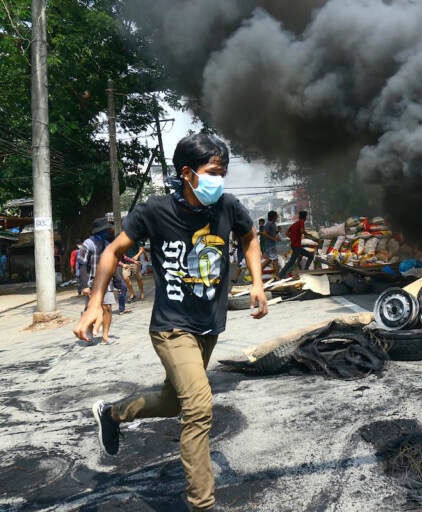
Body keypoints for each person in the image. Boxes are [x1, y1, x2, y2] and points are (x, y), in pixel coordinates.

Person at [73, 133, 268, 512]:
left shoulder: (227, 206)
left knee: (170, 401)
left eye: (223, 172)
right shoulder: (154, 211)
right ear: (187, 174)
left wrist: (258, 282)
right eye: (213, 171)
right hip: (171, 326)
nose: (219, 180)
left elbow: (250, 237)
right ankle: (202, 504)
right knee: (198, 407)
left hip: (208, 326)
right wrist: (94, 302)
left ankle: (113, 414)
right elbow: (114, 251)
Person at [77, 217, 117, 344]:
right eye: (106, 230)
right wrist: (84, 285)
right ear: (100, 231)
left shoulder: (107, 245)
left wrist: (118, 281)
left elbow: (112, 264)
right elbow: (82, 265)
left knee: (107, 307)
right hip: (91, 283)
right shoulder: (87, 244)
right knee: (90, 309)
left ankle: (105, 336)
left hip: (107, 283)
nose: (108, 232)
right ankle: (89, 333)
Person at [278, 210, 316, 278]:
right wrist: (308, 234)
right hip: (297, 246)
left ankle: (304, 270)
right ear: (305, 217)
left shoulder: (294, 224)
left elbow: (286, 233)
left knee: (309, 256)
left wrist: (292, 237)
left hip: (295, 245)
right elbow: (301, 230)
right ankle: (281, 274)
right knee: (292, 262)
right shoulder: (301, 222)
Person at [260, 210, 280, 278]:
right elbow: (264, 233)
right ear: (273, 216)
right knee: (275, 260)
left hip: (271, 245)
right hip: (270, 245)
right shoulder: (269, 224)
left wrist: (277, 231)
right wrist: (274, 239)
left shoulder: (274, 224)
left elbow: (272, 234)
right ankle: (277, 276)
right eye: (276, 215)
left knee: (269, 260)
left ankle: (257, 271)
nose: (277, 216)